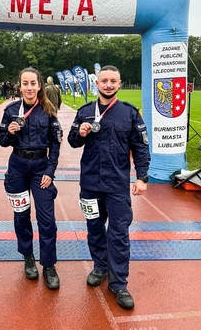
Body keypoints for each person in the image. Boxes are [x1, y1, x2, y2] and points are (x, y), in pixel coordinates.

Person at [67, 65, 150, 309]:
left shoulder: (130, 113)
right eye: (104, 80)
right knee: (94, 228)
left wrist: (142, 178)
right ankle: (100, 267)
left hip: (116, 186)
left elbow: (141, 148)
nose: (109, 84)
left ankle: (119, 283)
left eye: (113, 80)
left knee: (119, 234)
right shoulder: (84, 112)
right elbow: (72, 142)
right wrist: (80, 134)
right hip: (90, 184)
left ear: (120, 84)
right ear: (97, 84)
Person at [0, 67, 63, 290]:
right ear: (20, 85)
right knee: (21, 216)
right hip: (17, 167)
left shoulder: (48, 109)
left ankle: (49, 264)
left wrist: (50, 171)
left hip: (41, 169)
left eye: (33, 83)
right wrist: (11, 132)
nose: (29, 87)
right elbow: (2, 141)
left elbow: (55, 143)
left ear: (39, 85)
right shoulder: (10, 110)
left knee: (47, 219)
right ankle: (28, 257)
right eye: (25, 83)